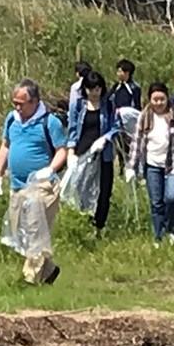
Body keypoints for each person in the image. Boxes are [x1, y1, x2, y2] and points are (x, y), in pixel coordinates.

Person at [0, 79, 69, 282]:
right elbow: (5, 146)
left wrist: (50, 169)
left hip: (42, 186)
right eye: (14, 102)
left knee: (35, 231)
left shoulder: (49, 122)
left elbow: (62, 150)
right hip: (18, 186)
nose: (17, 107)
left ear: (34, 102)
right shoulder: (12, 120)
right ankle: (49, 271)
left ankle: (29, 280)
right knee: (19, 232)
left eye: (21, 103)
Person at [129, 82, 174, 244]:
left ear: (167, 97)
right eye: (155, 99)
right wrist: (132, 166)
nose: (158, 103)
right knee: (156, 202)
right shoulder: (145, 116)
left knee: (171, 197)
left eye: (161, 99)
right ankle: (158, 236)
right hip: (152, 165)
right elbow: (137, 142)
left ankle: (173, 230)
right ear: (149, 100)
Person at [65, 72, 121, 232]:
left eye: (97, 89)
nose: (94, 93)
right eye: (91, 89)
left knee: (104, 191)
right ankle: (83, 223)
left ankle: (99, 226)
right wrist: (71, 151)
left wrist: (106, 138)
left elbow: (116, 126)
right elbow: (73, 128)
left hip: (103, 154)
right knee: (81, 188)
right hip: (83, 153)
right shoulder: (79, 105)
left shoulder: (108, 105)